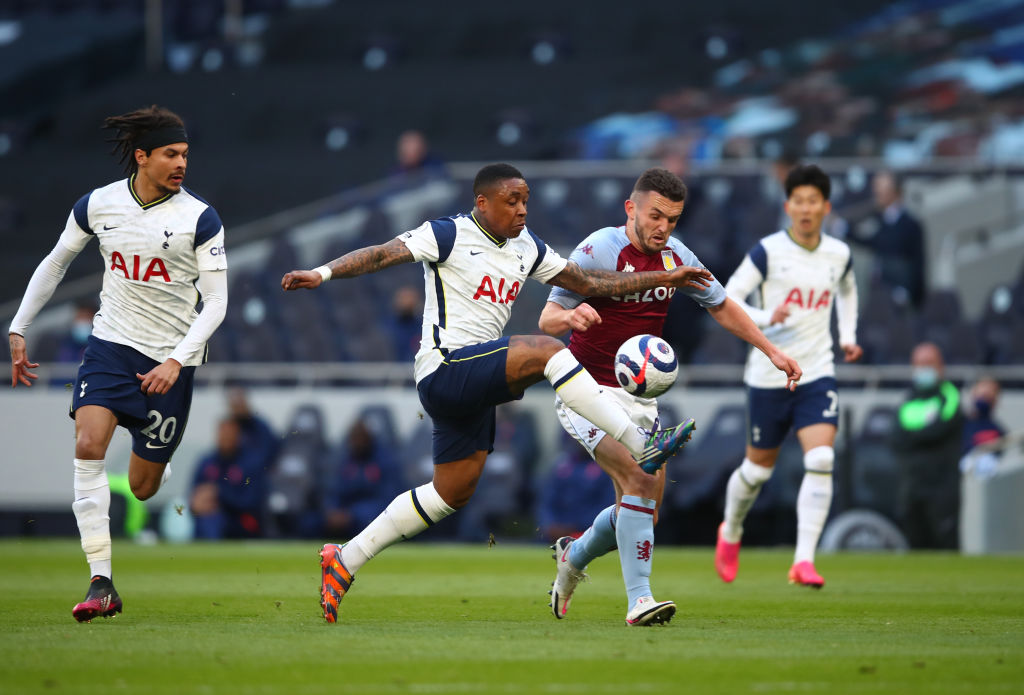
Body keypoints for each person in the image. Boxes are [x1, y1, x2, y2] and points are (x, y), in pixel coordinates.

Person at [280, 163, 760, 624]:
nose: (523, 210)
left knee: (451, 493)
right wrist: (320, 274)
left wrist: (664, 277)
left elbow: (590, 282)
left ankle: (345, 557)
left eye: (527, 201)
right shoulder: (447, 233)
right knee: (549, 350)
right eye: (512, 201)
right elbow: (384, 253)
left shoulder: (527, 247)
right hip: (445, 367)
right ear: (482, 203)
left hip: (478, 383)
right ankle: (642, 445)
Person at [538, 168, 803, 625]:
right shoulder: (598, 248)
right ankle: (640, 600)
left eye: (673, 220)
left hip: (639, 398)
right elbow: (547, 318)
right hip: (585, 388)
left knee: (641, 511)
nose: (663, 227)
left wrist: (772, 350)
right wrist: (573, 316)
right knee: (640, 481)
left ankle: (573, 558)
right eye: (655, 215)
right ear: (631, 208)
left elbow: (720, 305)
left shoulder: (676, 256)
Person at [7, 105, 228, 622]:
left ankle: (155, 459)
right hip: (111, 345)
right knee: (87, 444)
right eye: (171, 154)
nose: (181, 164)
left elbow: (216, 302)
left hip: (172, 356)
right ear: (142, 156)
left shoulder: (200, 218)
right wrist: (18, 327)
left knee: (145, 486)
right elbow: (57, 261)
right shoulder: (98, 205)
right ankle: (101, 581)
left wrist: (177, 360)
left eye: (186, 155)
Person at [715, 163, 861, 589]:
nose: (805, 209)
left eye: (813, 201)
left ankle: (803, 560)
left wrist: (848, 335)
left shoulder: (839, 254)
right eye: (798, 201)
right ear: (788, 206)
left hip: (817, 372)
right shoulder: (768, 251)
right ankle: (731, 530)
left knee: (821, 458)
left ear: (825, 207)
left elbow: (848, 289)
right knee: (758, 471)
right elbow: (728, 296)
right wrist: (766, 317)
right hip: (768, 372)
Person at [891, 342, 963, 549]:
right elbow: (896, 438)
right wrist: (922, 434)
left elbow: (939, 430)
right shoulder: (908, 400)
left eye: (929, 363)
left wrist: (914, 436)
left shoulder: (950, 396)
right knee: (915, 546)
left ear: (941, 366)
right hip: (912, 486)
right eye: (920, 364)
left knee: (945, 545)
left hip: (942, 488)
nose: (924, 369)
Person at [846, 170, 925, 308]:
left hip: (899, 295)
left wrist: (907, 291)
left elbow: (917, 262)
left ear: (895, 191)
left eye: (881, 189)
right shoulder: (880, 219)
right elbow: (871, 242)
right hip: (878, 291)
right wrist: (844, 229)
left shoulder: (910, 224)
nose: (877, 194)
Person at [323, 418, 404, 538]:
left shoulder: (385, 461)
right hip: (346, 514)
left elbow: (389, 499)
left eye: (360, 438)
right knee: (313, 522)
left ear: (369, 439)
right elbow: (335, 492)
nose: (357, 442)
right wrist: (333, 511)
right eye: (354, 438)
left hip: (370, 516)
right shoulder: (346, 461)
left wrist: (353, 515)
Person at [190, 417, 268, 539]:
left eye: (230, 433)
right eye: (223, 433)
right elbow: (194, 495)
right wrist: (196, 505)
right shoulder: (206, 462)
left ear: (239, 436)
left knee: (213, 521)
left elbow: (251, 501)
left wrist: (218, 494)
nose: (226, 437)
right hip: (208, 516)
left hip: (240, 520)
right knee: (208, 520)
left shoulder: (250, 463)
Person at [536, 435, 615, 543]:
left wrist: (575, 527)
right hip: (555, 533)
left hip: (588, 533)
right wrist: (549, 524)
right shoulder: (561, 465)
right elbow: (547, 501)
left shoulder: (605, 468)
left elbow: (608, 505)